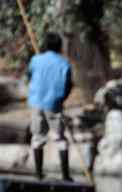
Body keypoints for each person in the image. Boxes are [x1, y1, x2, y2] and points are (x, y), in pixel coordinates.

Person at [27, 32, 73, 181]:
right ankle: (66, 176)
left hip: (36, 103)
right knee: (60, 139)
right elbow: (68, 85)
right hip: (54, 104)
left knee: (37, 137)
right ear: (59, 46)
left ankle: (38, 174)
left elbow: (29, 77)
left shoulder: (35, 60)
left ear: (45, 45)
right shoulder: (64, 63)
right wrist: (61, 99)